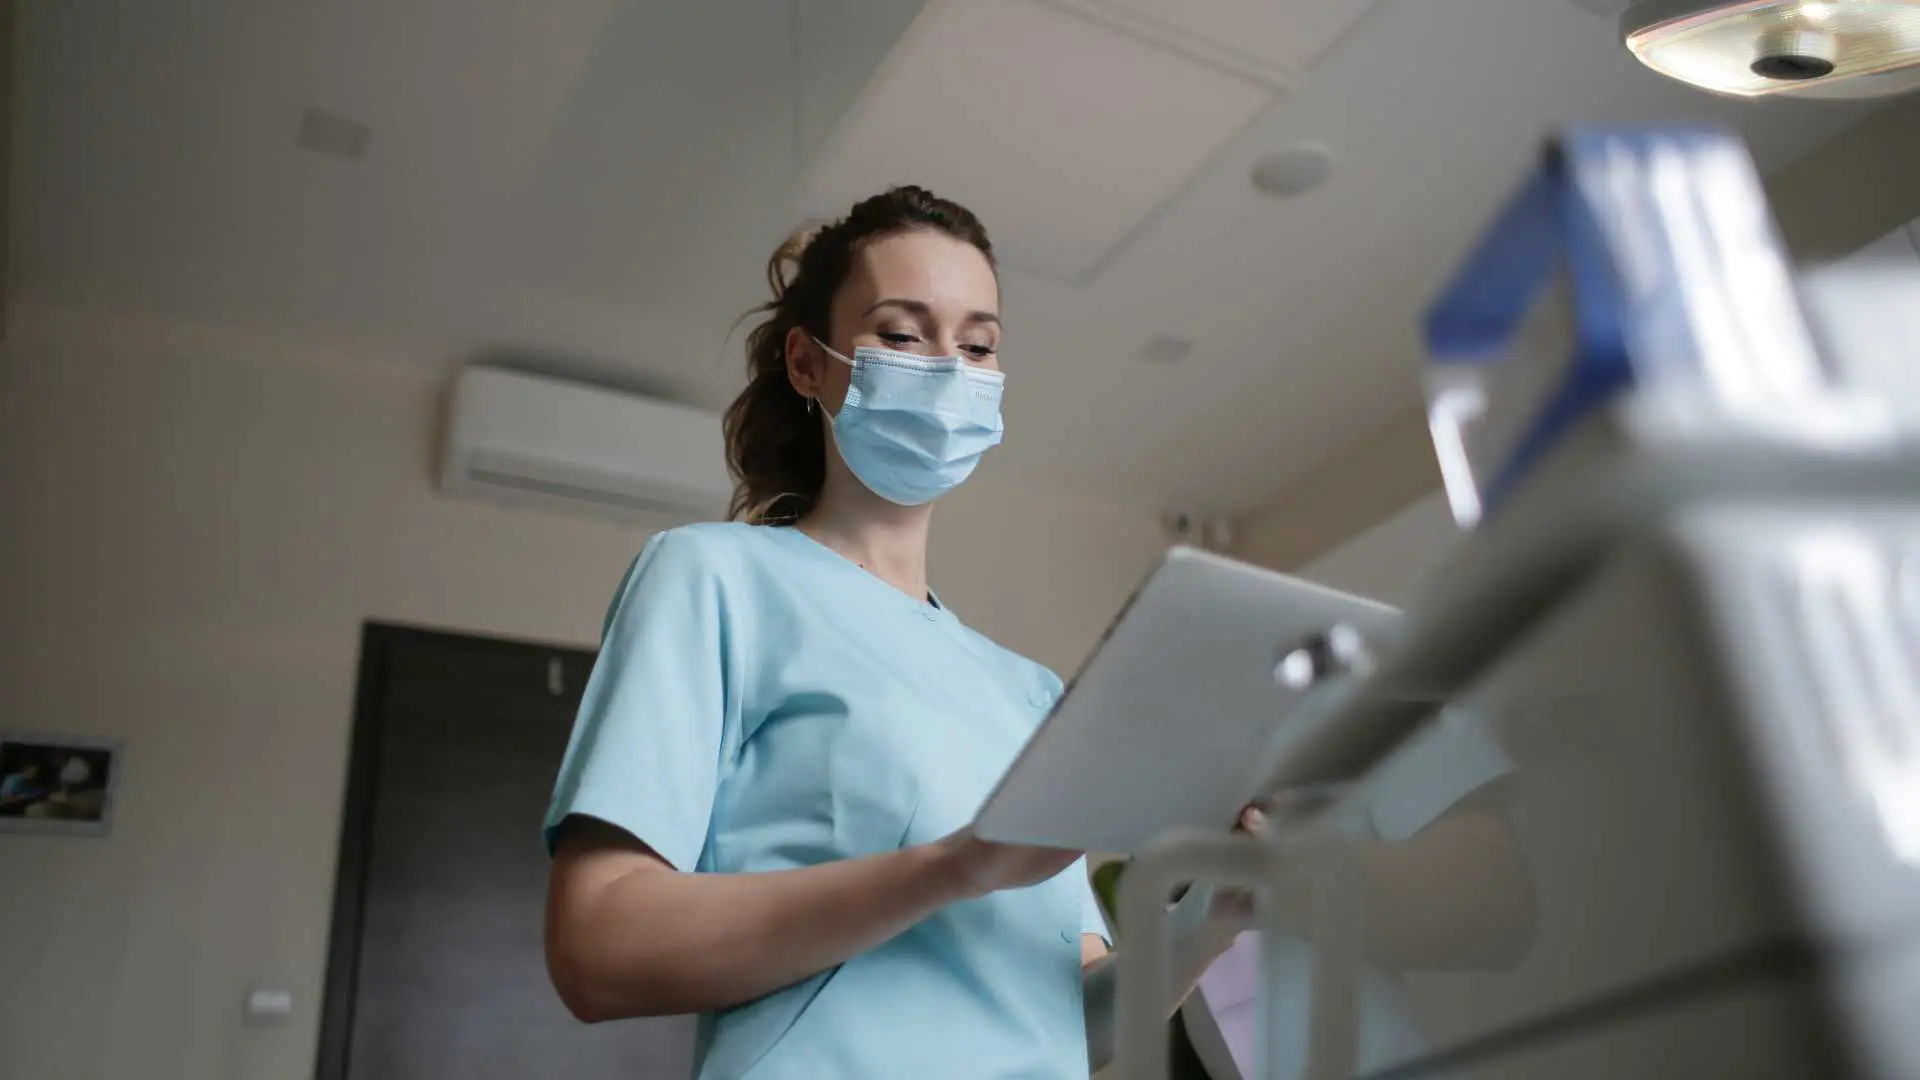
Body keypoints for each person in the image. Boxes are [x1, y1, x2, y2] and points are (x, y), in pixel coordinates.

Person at [542, 186, 1247, 1079]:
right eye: (904, 336)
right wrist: (957, 866)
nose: (950, 369)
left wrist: (1215, 915)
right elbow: (596, 948)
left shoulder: (1029, 693)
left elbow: (1075, 1024)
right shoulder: (714, 578)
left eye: (979, 344)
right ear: (809, 364)